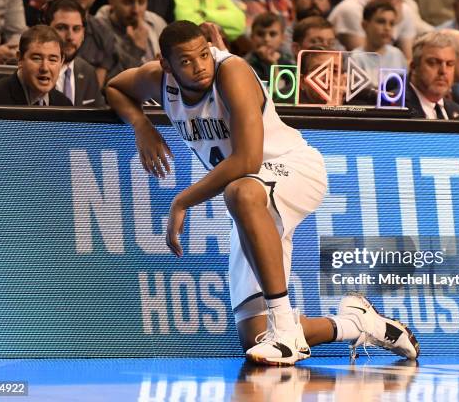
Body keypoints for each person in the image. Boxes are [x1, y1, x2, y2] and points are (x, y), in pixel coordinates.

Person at [106, 20, 419, 365]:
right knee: (254, 334)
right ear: (165, 64)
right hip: (252, 198)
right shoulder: (157, 80)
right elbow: (115, 87)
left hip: (293, 168)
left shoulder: (232, 72)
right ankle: (359, 323)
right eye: (186, 61)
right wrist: (142, 125)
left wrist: (182, 201)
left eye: (204, 55)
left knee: (239, 191)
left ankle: (286, 332)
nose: (199, 67)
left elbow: (247, 159)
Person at [0, 25, 71, 106]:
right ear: (20, 59)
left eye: (52, 60)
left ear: (61, 62)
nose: (45, 68)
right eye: (37, 58)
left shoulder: (64, 105)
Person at [43, 0, 105, 107]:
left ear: (83, 34)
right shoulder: (31, 69)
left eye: (76, 29)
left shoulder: (88, 71)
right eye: (61, 28)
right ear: (46, 29)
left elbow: (97, 121)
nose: (70, 37)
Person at [405, 31, 459, 119]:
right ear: (414, 67)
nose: (443, 71)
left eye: (449, 64)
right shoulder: (394, 108)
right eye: (433, 62)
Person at [63, 0, 123, 87]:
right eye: (61, 28)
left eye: (76, 28)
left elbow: (95, 90)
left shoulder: (104, 33)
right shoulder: (40, 26)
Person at [96, 0, 167, 71]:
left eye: (141, 2)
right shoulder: (98, 30)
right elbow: (115, 79)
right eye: (128, 2)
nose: (136, 10)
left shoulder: (156, 22)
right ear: (112, 1)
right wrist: (136, 50)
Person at [351, 1, 407, 70]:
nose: (387, 28)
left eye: (391, 24)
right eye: (381, 22)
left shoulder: (397, 55)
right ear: (365, 25)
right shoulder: (356, 58)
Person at [245, 12, 294, 81]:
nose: (266, 39)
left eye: (272, 34)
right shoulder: (245, 65)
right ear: (252, 37)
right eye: (260, 34)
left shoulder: (289, 62)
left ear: (283, 38)